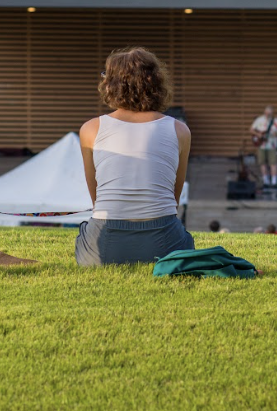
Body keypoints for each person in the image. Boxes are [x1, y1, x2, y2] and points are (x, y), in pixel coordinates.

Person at [75, 47, 195, 267]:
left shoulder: (91, 129)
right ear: (157, 83)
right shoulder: (180, 130)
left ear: (111, 85)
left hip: (103, 250)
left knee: (84, 232)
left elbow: (96, 197)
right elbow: (173, 199)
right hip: (164, 245)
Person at [249, 105, 277, 189]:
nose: (267, 114)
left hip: (272, 145)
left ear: (272, 113)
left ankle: (274, 182)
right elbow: (251, 130)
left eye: (269, 113)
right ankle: (266, 181)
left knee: (273, 163)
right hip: (261, 145)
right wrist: (258, 134)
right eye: (266, 113)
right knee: (262, 163)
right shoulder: (259, 120)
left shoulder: (276, 121)